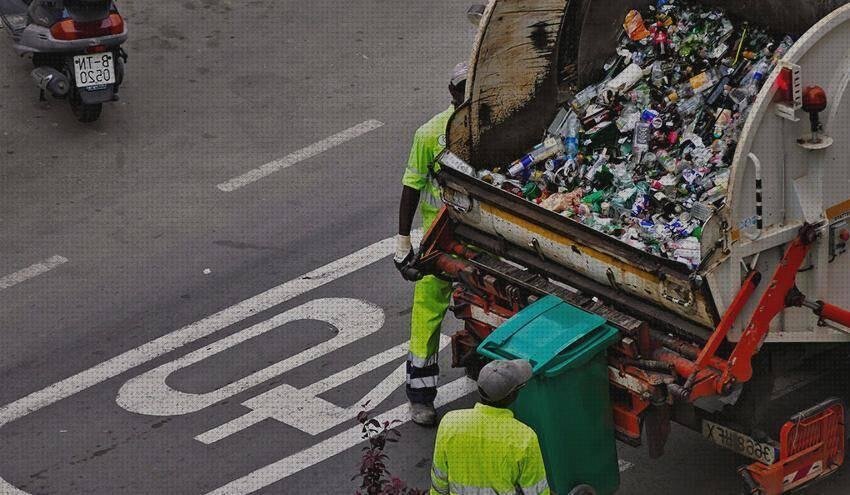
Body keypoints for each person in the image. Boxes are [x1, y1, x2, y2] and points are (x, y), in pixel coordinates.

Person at [394, 62, 468, 426]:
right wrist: (402, 241)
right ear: (451, 93)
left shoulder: (494, 125)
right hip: (440, 239)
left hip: (482, 235)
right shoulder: (430, 134)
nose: (468, 94)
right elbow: (411, 186)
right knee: (427, 314)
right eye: (462, 88)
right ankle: (420, 396)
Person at [429, 359, 550, 495]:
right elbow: (537, 491)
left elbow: (439, 480)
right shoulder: (524, 437)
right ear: (513, 395)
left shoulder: (450, 422)